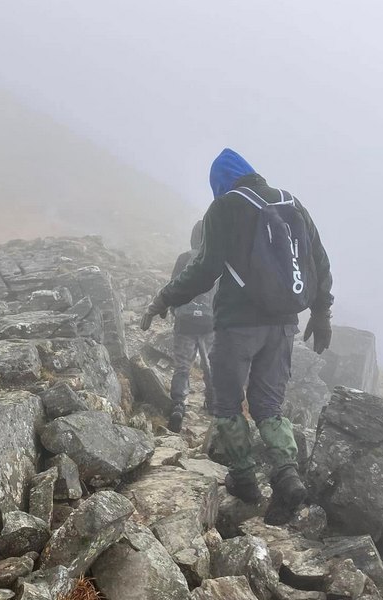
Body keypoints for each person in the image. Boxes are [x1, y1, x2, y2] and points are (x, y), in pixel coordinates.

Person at [141, 148, 333, 525]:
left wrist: (165, 298)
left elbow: (205, 268)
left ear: (220, 183)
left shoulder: (225, 207)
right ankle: (286, 474)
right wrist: (321, 312)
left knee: (227, 403)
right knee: (269, 407)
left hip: (237, 325)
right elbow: (320, 262)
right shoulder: (292, 203)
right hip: (282, 326)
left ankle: (244, 477)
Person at [166, 220, 217, 433]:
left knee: (182, 366)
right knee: (210, 364)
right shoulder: (216, 260)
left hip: (185, 321)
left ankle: (178, 405)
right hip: (209, 322)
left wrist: (174, 311)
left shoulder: (184, 259)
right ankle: (213, 403)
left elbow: (173, 288)